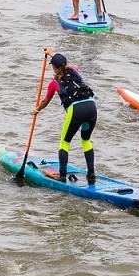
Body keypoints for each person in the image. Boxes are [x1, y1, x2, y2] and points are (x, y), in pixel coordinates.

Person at [34, 53, 97, 185]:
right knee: (86, 140)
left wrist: (37, 110)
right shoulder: (74, 70)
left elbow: (46, 101)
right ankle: (91, 175)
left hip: (76, 109)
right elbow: (66, 65)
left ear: (55, 68)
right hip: (92, 107)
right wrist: (52, 53)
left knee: (64, 142)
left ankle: (62, 176)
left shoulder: (53, 83)